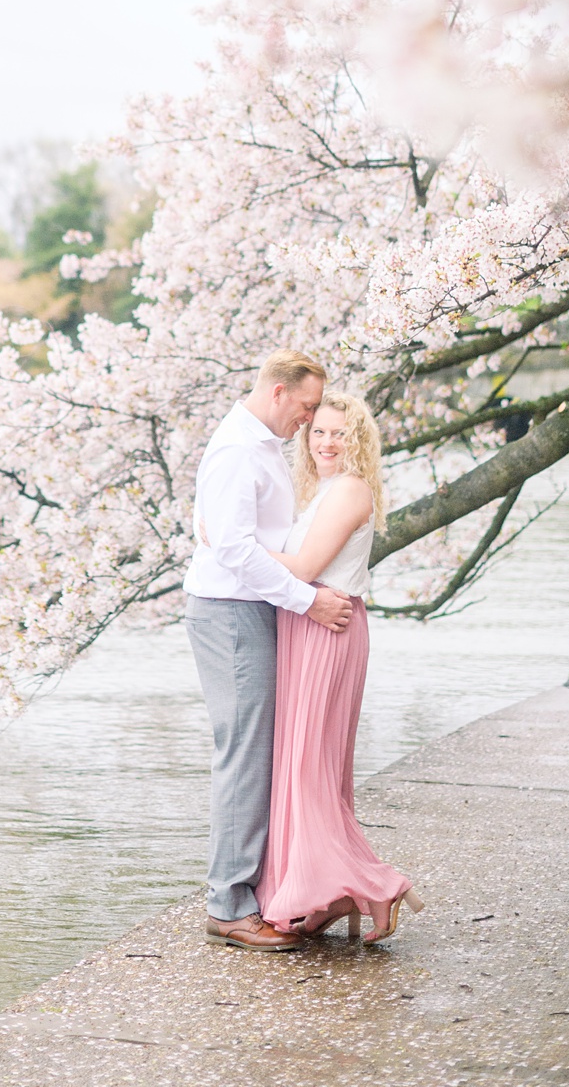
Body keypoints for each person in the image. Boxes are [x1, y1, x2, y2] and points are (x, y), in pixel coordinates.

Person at [184, 350, 350, 951]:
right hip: (230, 614)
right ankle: (228, 905)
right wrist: (307, 602)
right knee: (245, 752)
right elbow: (233, 550)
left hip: (250, 607)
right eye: (306, 407)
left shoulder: (257, 447)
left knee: (261, 749)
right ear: (278, 392)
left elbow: (232, 533)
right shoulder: (238, 450)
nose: (309, 421)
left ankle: (263, 888)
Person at [257, 392, 424, 942]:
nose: (327, 443)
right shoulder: (323, 491)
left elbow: (304, 566)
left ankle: (378, 884)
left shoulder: (350, 490)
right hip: (308, 624)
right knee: (309, 769)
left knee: (308, 770)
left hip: (327, 627)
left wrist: (234, 545)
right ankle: (339, 895)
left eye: (340, 434)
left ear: (359, 442)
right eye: (319, 432)